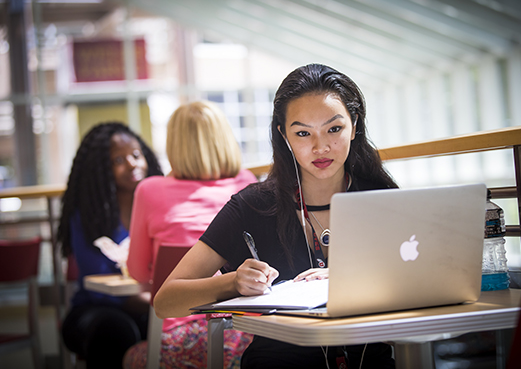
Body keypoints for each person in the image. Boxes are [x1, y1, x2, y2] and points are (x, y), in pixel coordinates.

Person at [154, 63, 398, 368]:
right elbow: (165, 301)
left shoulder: (383, 196)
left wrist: (350, 279)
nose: (320, 147)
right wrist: (232, 283)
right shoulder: (253, 205)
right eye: (303, 133)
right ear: (284, 135)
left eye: (334, 129)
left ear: (355, 124)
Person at [123, 101, 257, 368]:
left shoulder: (149, 190)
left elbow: (139, 273)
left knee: (131, 358)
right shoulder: (247, 184)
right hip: (244, 333)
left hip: (176, 337)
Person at [58, 122, 163, 368]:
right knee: (115, 330)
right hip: (93, 312)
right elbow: (98, 287)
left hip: (149, 305)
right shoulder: (87, 216)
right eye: (118, 160)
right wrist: (158, 301)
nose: (132, 164)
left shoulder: (159, 209)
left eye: (136, 155)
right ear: (101, 170)